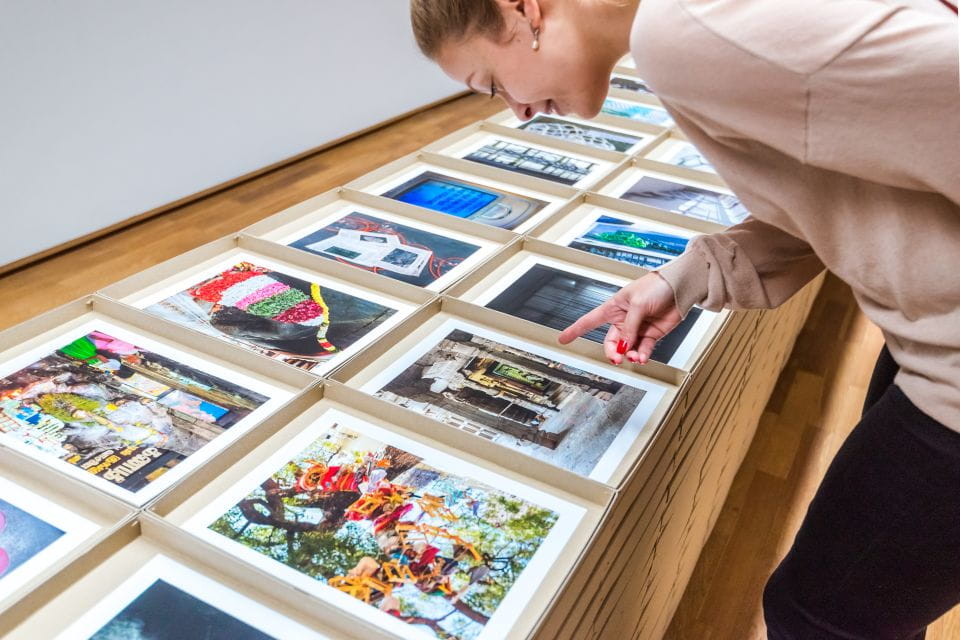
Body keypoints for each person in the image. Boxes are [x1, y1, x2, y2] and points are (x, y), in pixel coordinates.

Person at [408, 0, 960, 637]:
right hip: (928, 340)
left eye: (493, 83)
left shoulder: (684, 32)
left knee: (818, 614)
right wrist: (687, 276)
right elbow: (865, 186)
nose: (518, 109)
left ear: (523, 10)